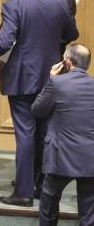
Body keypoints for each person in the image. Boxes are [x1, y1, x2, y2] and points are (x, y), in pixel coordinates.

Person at [0, 0, 78, 207]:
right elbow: (72, 34)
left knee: (25, 134)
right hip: (52, 77)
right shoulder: (61, 3)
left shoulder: (14, 5)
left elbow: (5, 41)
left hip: (22, 78)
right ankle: (44, 190)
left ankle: (23, 193)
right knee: (46, 133)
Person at [32, 44, 94, 226]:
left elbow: (37, 110)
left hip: (60, 156)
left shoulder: (57, 83)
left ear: (67, 61)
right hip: (90, 158)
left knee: (48, 207)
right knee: (89, 214)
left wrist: (51, 79)